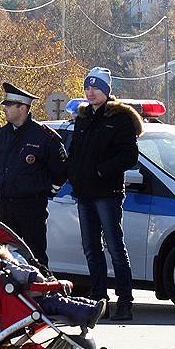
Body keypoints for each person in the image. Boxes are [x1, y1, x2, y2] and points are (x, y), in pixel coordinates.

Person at [67, 67, 142, 322]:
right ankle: (99, 300)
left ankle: (125, 302)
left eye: (96, 87)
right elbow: (74, 153)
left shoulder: (119, 118)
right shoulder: (83, 117)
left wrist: (102, 171)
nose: (90, 92)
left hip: (107, 193)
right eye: (87, 87)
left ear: (107, 91)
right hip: (84, 193)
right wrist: (73, 176)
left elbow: (129, 156)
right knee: (90, 247)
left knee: (115, 247)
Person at [0, 82, 68, 266]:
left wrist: (47, 191)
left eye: (8, 105)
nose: (4, 109)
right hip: (5, 204)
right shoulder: (0, 135)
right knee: (2, 255)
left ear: (22, 108)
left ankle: (40, 293)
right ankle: (6, 294)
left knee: (34, 255)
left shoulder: (44, 136)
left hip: (31, 206)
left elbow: (60, 170)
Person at [0, 244, 107, 329]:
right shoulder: (8, 268)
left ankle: (92, 306)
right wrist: (40, 279)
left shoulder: (11, 267)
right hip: (32, 301)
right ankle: (89, 313)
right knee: (60, 303)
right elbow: (25, 275)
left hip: (36, 296)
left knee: (64, 300)